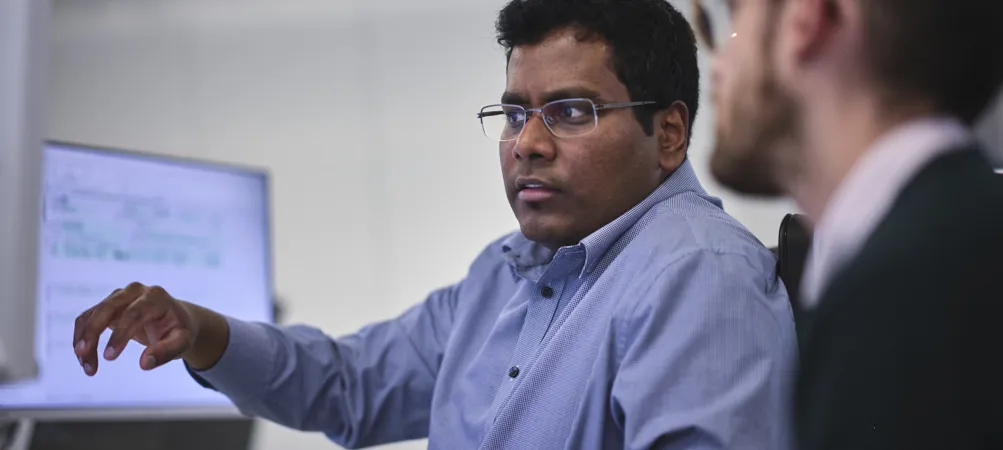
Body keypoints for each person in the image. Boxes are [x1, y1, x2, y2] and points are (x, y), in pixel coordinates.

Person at [72, 1, 797, 448]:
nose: (527, 143)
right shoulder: (507, 272)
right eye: (514, 113)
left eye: (570, 112)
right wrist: (202, 333)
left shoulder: (698, 276)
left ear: (668, 133)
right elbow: (351, 388)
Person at [696, 0, 1003, 448]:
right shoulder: (955, 245)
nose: (718, 66)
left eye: (732, 17)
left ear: (813, 18)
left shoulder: (900, 294)